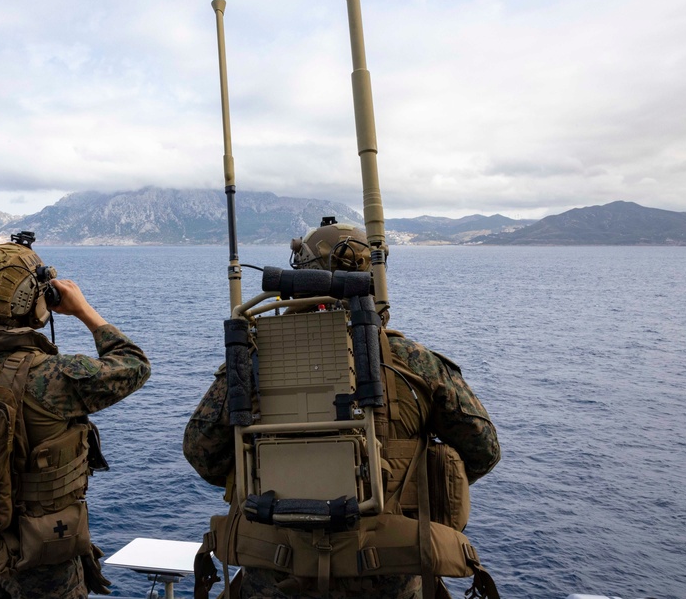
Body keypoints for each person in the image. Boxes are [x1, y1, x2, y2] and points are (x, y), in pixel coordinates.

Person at [183, 220, 500, 599]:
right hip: (389, 580)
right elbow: (483, 450)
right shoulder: (411, 362)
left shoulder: (253, 357)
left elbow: (201, 452)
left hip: (275, 579)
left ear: (301, 279)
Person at [0, 235, 150, 599]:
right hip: (39, 557)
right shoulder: (53, 377)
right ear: (33, 300)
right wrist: (83, 310)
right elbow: (134, 365)